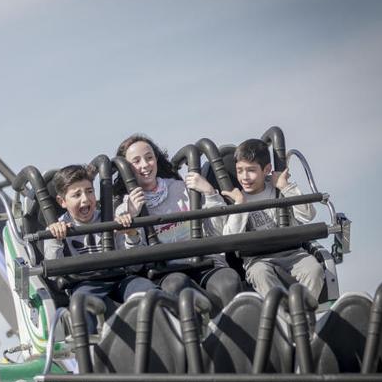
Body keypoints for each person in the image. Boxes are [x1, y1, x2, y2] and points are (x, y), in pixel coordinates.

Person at [115, 133, 244, 307]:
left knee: (229, 281)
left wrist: (210, 193)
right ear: (127, 169)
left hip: (204, 262)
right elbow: (135, 266)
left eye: (149, 158)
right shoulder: (126, 207)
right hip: (167, 272)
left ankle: (234, 328)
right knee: (176, 285)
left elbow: (217, 232)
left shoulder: (181, 187)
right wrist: (133, 219)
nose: (145, 165)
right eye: (136, 161)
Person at [44, 165, 157, 317]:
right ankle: (88, 339)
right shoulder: (57, 228)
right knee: (82, 304)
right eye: (77, 195)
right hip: (85, 283)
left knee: (149, 292)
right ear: (62, 201)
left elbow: (136, 266)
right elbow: (52, 275)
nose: (85, 199)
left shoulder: (109, 217)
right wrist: (57, 239)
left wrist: (131, 233)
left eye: (89, 191)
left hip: (120, 278)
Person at [218, 138, 323, 298]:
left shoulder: (278, 189)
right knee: (261, 274)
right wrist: (240, 205)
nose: (244, 177)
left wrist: (285, 186)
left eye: (251, 170)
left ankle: (302, 313)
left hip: (292, 253)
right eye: (240, 171)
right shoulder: (238, 198)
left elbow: (308, 215)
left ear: (266, 169)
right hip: (258, 259)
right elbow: (229, 237)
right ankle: (281, 317)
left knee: (313, 270)